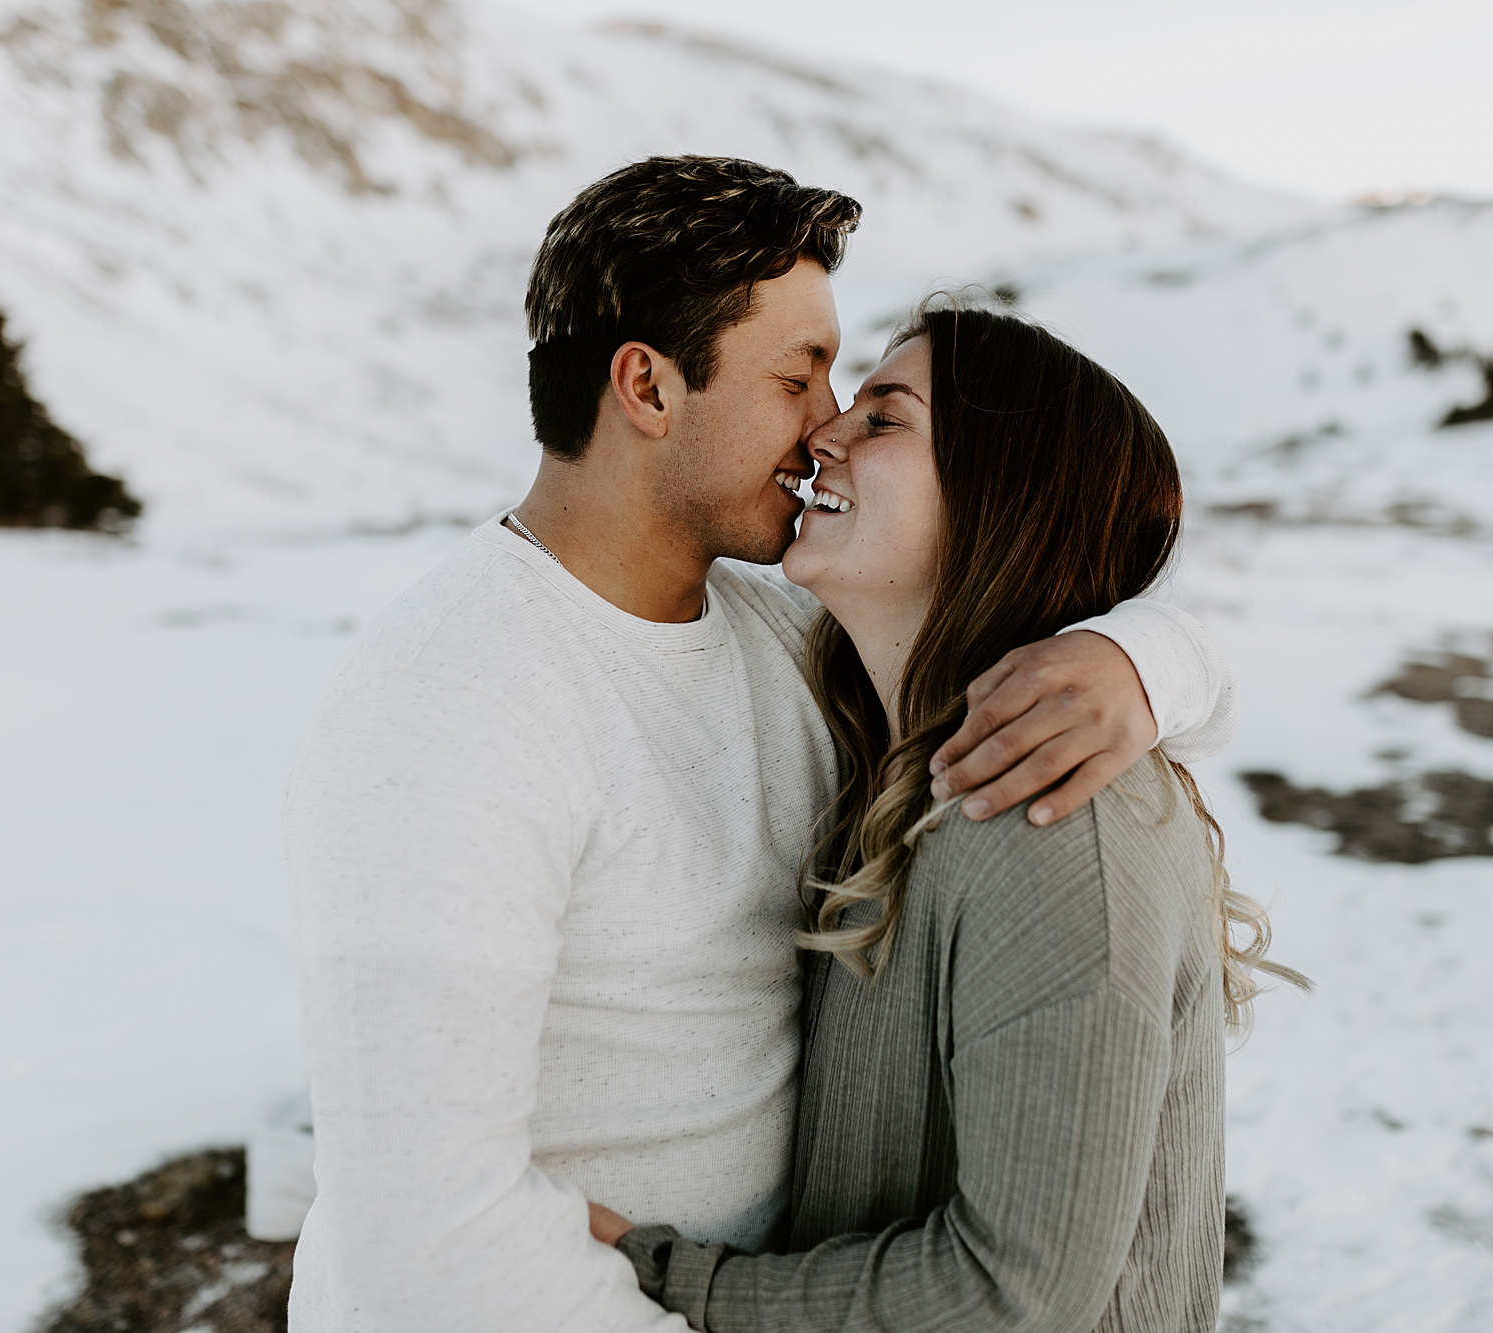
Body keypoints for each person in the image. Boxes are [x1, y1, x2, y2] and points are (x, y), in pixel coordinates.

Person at [283, 157, 1240, 1331]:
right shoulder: (452, 697)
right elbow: (425, 1234)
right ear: (646, 387)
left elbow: (1011, 587)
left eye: (854, 392)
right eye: (800, 376)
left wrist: (1146, 659)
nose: (825, 423)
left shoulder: (794, 642)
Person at [593, 304, 1304, 1332]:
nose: (821, 432)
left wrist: (667, 1285)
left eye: (885, 420)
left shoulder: (1048, 816)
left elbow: (1012, 1293)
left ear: (1002, 500)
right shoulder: (888, 755)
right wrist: (1155, 654)